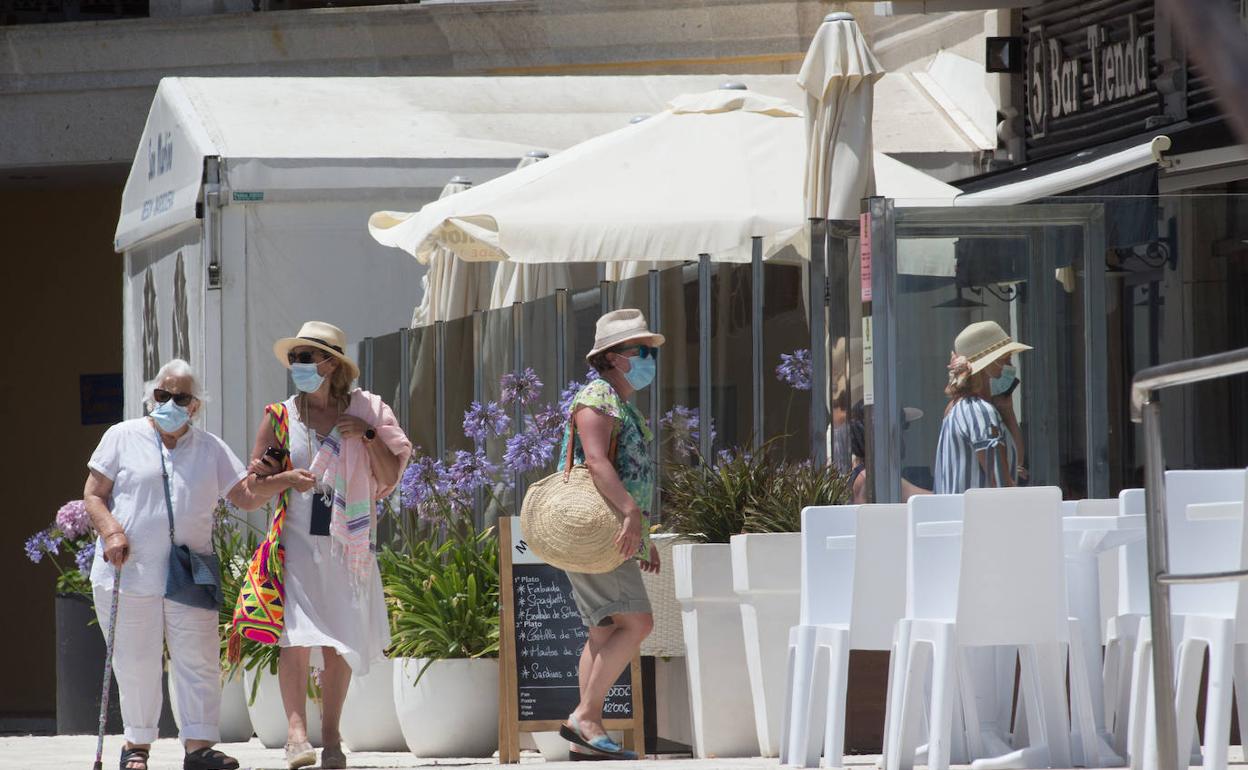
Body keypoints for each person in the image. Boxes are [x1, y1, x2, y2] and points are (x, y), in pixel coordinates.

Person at [83, 359, 306, 770]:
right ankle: (137, 746)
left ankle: (199, 747)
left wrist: (284, 481)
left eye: (179, 397)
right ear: (151, 398)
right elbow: (94, 494)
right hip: (129, 569)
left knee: (199, 657)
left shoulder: (210, 448)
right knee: (135, 659)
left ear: (195, 406)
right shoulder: (121, 436)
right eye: (161, 395)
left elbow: (245, 496)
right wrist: (112, 532)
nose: (168, 402)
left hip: (191, 567)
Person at [247, 322, 410, 770]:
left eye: (306, 358)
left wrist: (367, 435)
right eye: (294, 358)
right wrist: (285, 479)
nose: (298, 366)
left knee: (339, 641)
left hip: (347, 543)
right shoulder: (280, 417)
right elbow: (253, 484)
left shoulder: (368, 410)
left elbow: (391, 474)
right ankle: (297, 736)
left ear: (331, 364)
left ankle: (333, 736)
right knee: (294, 638)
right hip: (296, 542)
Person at [556, 309, 662, 760]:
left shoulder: (616, 402)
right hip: (601, 528)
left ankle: (587, 737)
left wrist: (643, 533)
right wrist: (629, 515)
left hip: (612, 528)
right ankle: (585, 715)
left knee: (602, 631)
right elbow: (596, 461)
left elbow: (628, 472)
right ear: (615, 357)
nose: (648, 359)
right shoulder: (596, 399)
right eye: (641, 351)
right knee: (637, 622)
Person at [933, 321, 1032, 494]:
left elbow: (1014, 464)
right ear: (988, 365)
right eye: (1005, 359)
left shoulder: (957, 407)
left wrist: (1006, 410)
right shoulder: (980, 412)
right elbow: (1002, 487)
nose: (1010, 365)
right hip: (981, 518)